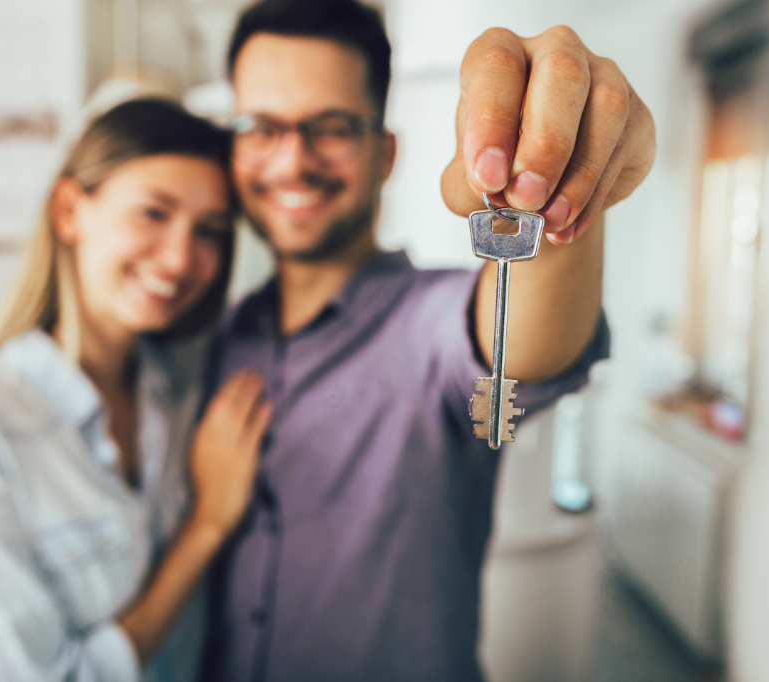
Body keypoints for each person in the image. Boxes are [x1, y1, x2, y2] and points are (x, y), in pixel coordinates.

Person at [200, 0, 656, 680]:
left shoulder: (433, 323)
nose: (292, 160)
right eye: (260, 127)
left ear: (383, 154)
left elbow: (524, 347)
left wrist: (546, 177)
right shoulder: (209, 335)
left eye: (330, 127)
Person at [0, 99, 271, 682]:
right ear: (70, 211)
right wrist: (207, 526)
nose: (181, 257)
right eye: (153, 213)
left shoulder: (187, 388)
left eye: (210, 231)